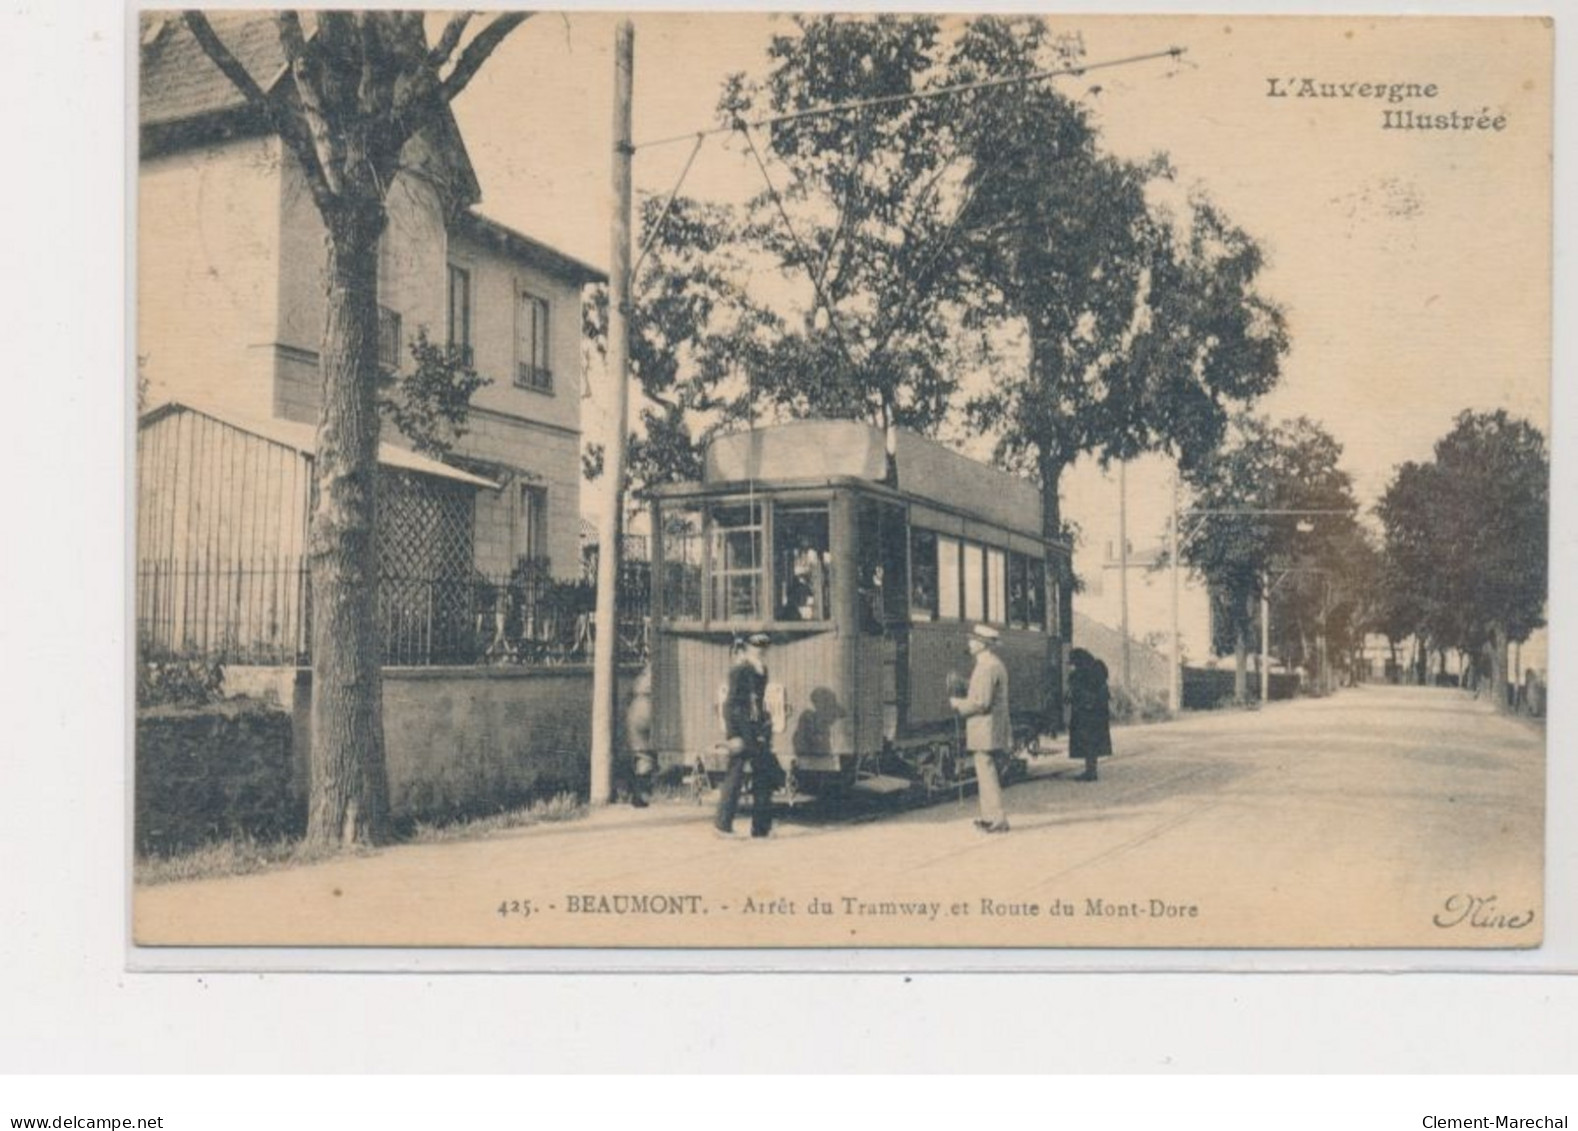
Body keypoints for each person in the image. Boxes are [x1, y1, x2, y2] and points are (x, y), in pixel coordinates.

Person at [715, 632, 779, 839]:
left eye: (763, 647)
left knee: (763, 776)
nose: (760, 650)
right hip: (742, 730)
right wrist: (733, 734)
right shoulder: (740, 670)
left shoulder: (762, 669)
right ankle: (722, 825)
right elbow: (730, 704)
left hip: (757, 730)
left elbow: (758, 703)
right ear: (747, 648)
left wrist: (764, 725)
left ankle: (761, 828)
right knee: (735, 776)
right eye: (756, 646)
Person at [949, 624, 1012, 833]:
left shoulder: (987, 667)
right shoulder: (991, 664)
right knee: (986, 772)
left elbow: (981, 702)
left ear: (982, 644)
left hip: (986, 727)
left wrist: (958, 704)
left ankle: (997, 819)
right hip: (988, 727)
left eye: (973, 640)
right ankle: (990, 817)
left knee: (987, 774)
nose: (970, 643)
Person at [1068, 648, 1113, 782]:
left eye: (1075, 663)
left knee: (1088, 742)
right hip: (1098, 713)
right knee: (1093, 743)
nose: (1074, 666)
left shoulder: (1082, 674)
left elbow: (1079, 692)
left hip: (1087, 713)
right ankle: (1091, 770)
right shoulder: (1098, 670)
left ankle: (1090, 772)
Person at [624, 664, 655, 808]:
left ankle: (638, 794)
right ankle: (642, 795)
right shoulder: (660, 669)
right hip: (651, 706)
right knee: (647, 755)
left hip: (636, 708)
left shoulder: (641, 676)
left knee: (640, 755)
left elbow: (628, 694)